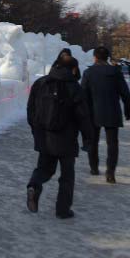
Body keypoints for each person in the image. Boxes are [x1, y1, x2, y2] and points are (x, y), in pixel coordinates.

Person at [26, 57, 93, 219]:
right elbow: (83, 116)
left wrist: (36, 130)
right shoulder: (74, 87)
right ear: (73, 69)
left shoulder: (40, 83)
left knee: (44, 168)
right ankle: (63, 210)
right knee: (67, 175)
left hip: (44, 136)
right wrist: (88, 138)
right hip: (67, 138)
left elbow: (31, 109)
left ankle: (34, 186)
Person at [81, 46, 130, 183]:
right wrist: (128, 111)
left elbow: (83, 94)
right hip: (112, 111)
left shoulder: (88, 72)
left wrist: (81, 114)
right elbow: (125, 93)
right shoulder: (115, 71)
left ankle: (94, 167)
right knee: (113, 143)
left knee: (93, 141)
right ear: (107, 57)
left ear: (95, 57)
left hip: (93, 112)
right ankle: (110, 173)